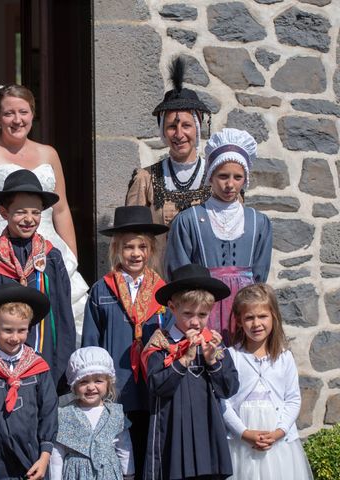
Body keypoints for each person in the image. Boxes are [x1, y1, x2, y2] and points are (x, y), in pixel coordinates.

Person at [0, 83, 88, 323]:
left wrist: (72, 256)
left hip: (48, 249)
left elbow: (61, 208)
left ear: (33, 114)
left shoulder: (49, 154)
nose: (17, 119)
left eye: (23, 112)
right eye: (8, 113)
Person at [0, 169, 76, 392]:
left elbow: (63, 314)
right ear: (4, 213)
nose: (29, 219)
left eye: (35, 212)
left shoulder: (51, 257)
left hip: (44, 360)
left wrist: (62, 362)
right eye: (20, 212)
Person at [81, 206, 168, 479]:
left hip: (150, 384)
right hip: (115, 385)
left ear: (151, 250)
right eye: (128, 247)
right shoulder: (102, 289)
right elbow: (90, 342)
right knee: (116, 450)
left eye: (142, 246)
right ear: (117, 248)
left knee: (147, 447)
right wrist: (94, 381)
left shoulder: (162, 290)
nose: (135, 253)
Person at [165, 128, 272, 345]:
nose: (230, 184)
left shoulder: (259, 222)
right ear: (211, 176)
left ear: (245, 180)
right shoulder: (188, 220)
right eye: (223, 176)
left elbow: (260, 275)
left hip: (244, 309)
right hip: (202, 308)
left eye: (237, 177)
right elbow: (178, 271)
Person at [141, 264, 239, 480]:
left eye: (202, 314)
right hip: (172, 429)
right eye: (187, 313)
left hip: (207, 429)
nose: (195, 321)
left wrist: (213, 361)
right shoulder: (160, 344)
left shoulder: (213, 343)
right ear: (172, 308)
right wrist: (184, 359)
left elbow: (229, 388)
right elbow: (157, 387)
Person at [125, 57, 213, 276]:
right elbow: (132, 236)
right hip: (159, 283)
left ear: (197, 128)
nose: (179, 134)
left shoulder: (215, 177)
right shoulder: (146, 179)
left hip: (207, 286)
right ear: (163, 131)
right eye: (172, 126)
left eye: (186, 125)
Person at [222, 284, 313, 480]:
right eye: (249, 317)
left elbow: (293, 399)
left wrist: (279, 432)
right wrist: (244, 433)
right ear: (238, 321)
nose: (256, 324)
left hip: (278, 441)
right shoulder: (231, 356)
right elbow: (224, 402)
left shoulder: (284, 357)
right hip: (242, 442)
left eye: (262, 316)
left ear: (273, 317)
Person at [0, 284, 58, 480]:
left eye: (21, 330)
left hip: (31, 459)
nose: (14, 337)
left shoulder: (38, 368)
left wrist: (44, 458)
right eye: (7, 330)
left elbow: (49, 412)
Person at [50, 346, 135, 480]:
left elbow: (124, 447)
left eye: (98, 381)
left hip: (108, 474)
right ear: (74, 385)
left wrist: (128, 474)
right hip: (75, 474)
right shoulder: (65, 414)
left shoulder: (115, 414)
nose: (91, 387)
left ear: (108, 383)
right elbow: (57, 453)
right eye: (83, 382)